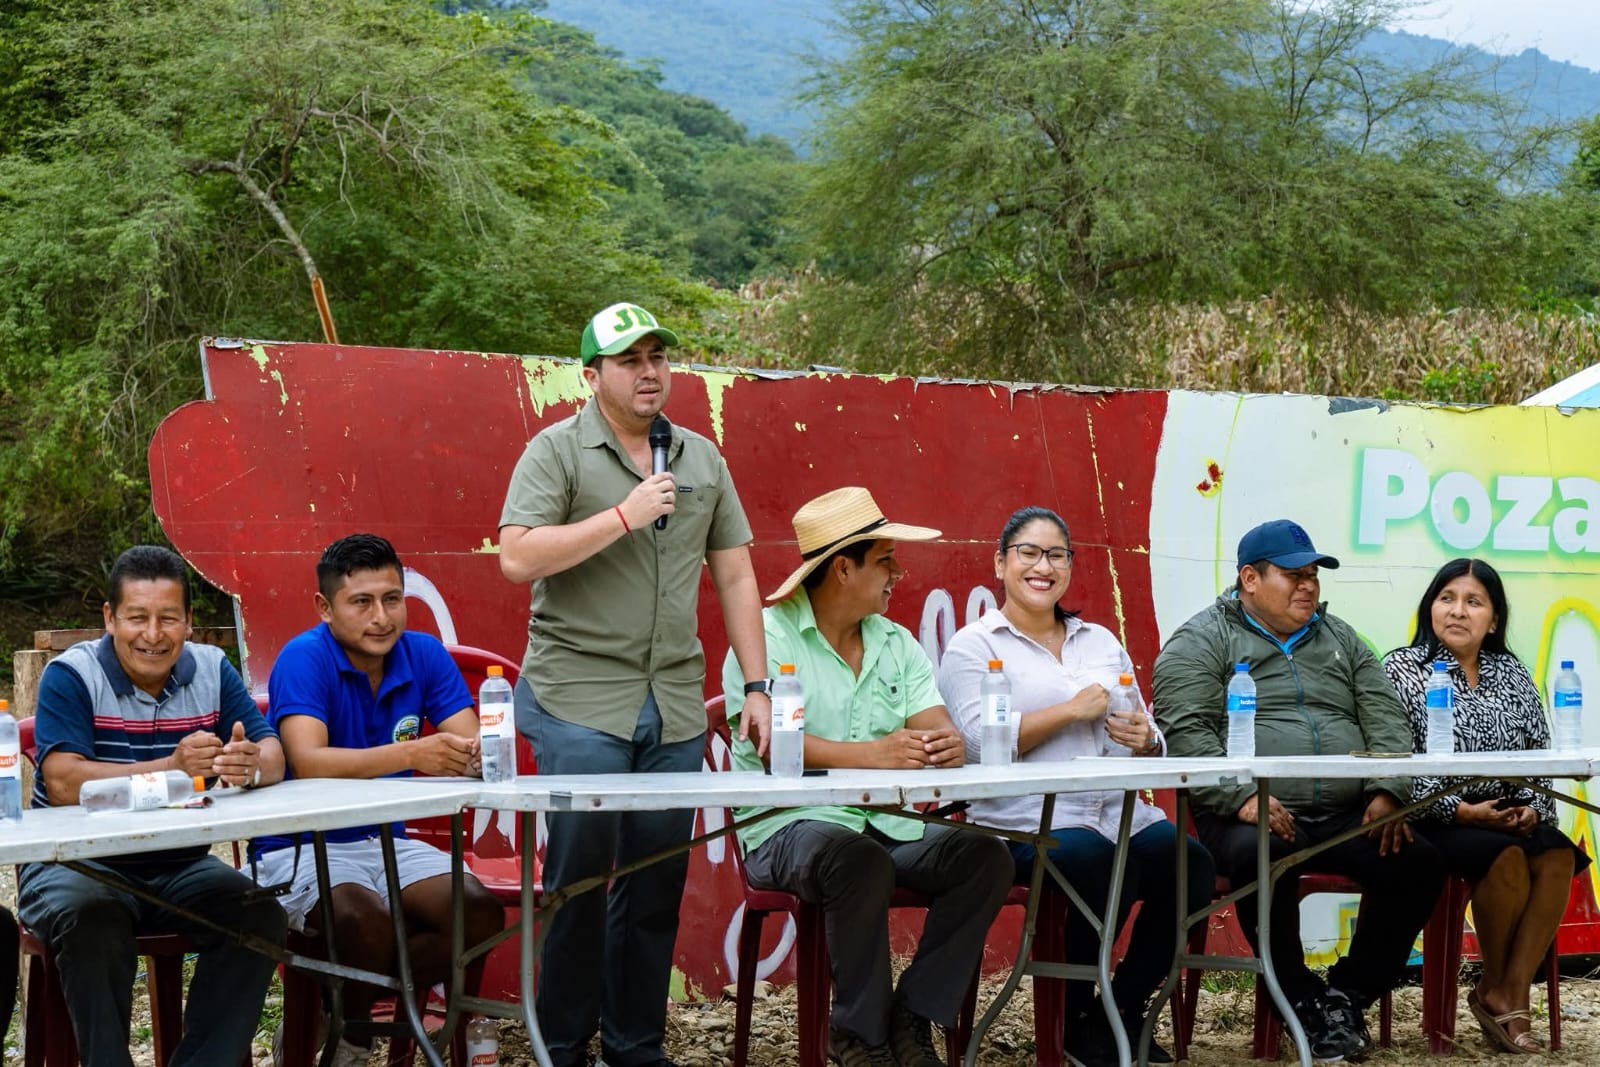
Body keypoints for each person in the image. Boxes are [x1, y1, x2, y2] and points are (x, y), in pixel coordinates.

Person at [498, 301, 771, 1067]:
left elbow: (736, 574)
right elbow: (517, 556)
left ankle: (634, 1047)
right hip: (578, 695)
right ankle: (562, 1046)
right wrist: (623, 514)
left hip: (674, 700)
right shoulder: (555, 451)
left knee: (655, 881)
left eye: (658, 356)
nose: (649, 371)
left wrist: (756, 684)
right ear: (592, 375)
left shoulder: (700, 458)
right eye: (630, 360)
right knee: (579, 878)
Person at [722, 486, 1013, 1067]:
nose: (898, 574)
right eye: (885, 560)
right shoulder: (766, 637)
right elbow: (772, 745)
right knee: (855, 859)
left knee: (986, 857)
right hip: (784, 828)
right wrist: (872, 755)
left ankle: (912, 1015)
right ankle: (858, 1035)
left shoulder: (895, 642)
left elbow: (933, 724)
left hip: (883, 826)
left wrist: (946, 743)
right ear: (842, 568)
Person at [1153, 519, 1444, 1063]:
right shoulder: (1201, 640)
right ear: (1250, 579)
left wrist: (1386, 789)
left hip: (1343, 809)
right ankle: (1298, 995)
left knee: (1418, 861)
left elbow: (1386, 718)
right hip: (1243, 808)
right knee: (1263, 854)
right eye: (1293, 576)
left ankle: (1344, 995)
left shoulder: (1341, 638)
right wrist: (1243, 798)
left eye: (1313, 575)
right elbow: (1185, 731)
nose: (1308, 586)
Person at [937, 506, 1215, 1067]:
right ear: (1001, 563)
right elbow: (975, 744)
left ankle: (1119, 1008)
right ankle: (1070, 1015)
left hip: (1117, 812)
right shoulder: (974, 646)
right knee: (1095, 861)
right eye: (1029, 553)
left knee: (1190, 863)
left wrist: (1146, 739)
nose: (1043, 567)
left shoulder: (1100, 641)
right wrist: (1069, 711)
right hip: (1022, 821)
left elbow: (1147, 728)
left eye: (1057, 555)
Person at [18, 544, 288, 1067]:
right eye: (137, 617)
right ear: (110, 619)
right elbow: (64, 782)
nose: (153, 634)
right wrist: (172, 768)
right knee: (92, 918)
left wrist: (249, 764)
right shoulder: (72, 674)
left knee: (259, 916)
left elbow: (273, 753)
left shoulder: (212, 668)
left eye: (168, 618)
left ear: (189, 622)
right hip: (74, 865)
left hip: (178, 865)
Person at [252, 533, 505, 1067]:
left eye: (392, 599)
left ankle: (336, 1010)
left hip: (385, 839)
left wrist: (476, 754)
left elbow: (470, 743)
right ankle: (353, 1043)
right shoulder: (303, 656)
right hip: (298, 845)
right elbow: (308, 760)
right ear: (325, 608)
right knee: (364, 921)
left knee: (478, 912)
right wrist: (414, 752)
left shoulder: (423, 653)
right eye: (361, 602)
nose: (382, 618)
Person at [1383, 558, 1588, 1055]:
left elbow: (1539, 751)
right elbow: (1393, 760)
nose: (1457, 611)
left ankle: (1506, 989)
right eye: (1447, 598)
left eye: (1473, 602)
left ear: (1493, 620)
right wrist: (1461, 810)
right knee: (1507, 858)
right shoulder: (1402, 669)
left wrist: (1534, 808)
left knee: (1558, 855)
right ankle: (1501, 990)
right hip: (1439, 813)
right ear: (1430, 607)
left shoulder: (1510, 671)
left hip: (1508, 809)